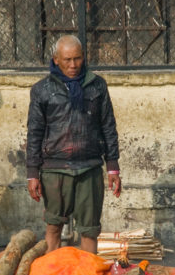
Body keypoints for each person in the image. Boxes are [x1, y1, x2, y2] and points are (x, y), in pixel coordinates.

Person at [26, 35, 121, 254]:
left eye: (77, 59)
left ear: (84, 57)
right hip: (54, 169)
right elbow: (35, 132)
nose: (73, 65)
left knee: (89, 230)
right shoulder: (42, 90)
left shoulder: (97, 86)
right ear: (56, 59)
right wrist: (33, 172)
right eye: (67, 59)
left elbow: (108, 125)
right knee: (54, 226)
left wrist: (113, 166)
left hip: (89, 167)